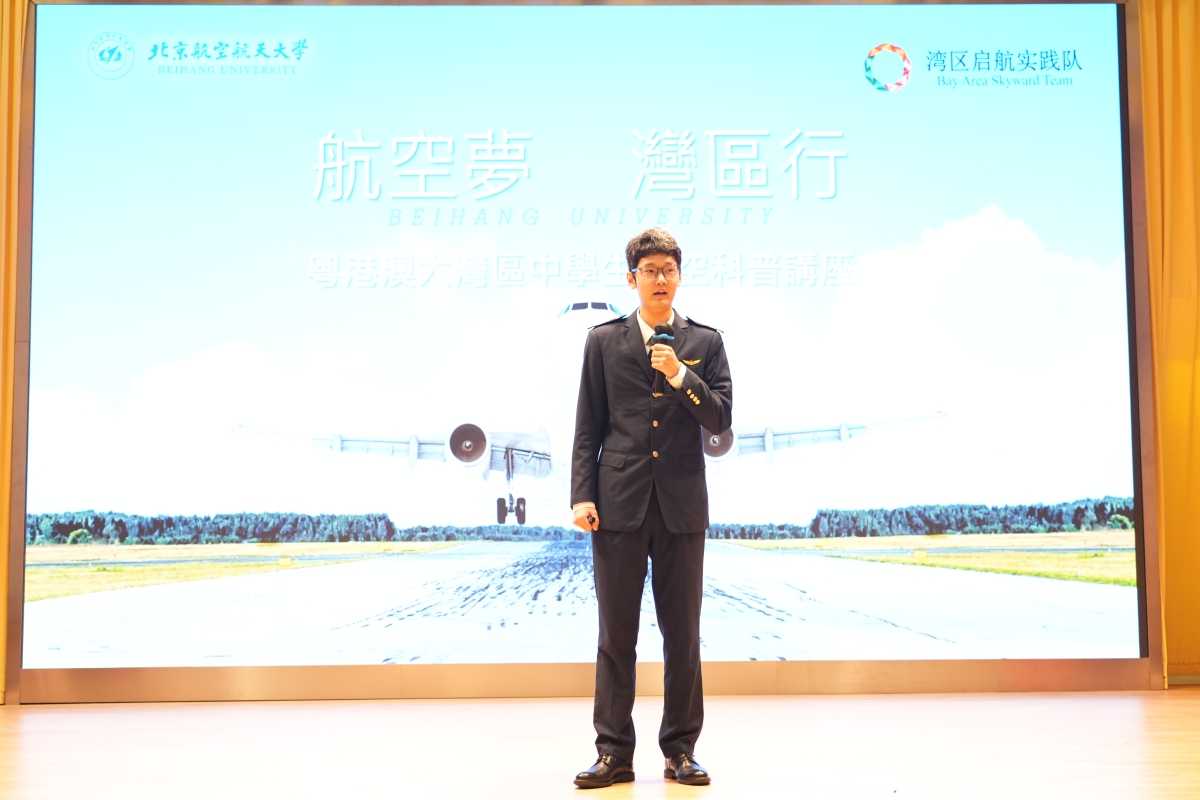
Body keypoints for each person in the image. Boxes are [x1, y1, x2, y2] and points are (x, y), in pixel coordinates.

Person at [569, 227, 733, 789]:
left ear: (679, 276)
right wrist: (582, 494)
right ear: (632, 278)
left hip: (681, 507)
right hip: (618, 504)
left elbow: (720, 418)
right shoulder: (602, 341)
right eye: (649, 270)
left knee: (682, 636)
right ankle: (614, 752)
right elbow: (588, 424)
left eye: (668, 269)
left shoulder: (706, 342)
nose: (660, 278)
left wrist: (680, 374)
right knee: (616, 637)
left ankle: (680, 750)